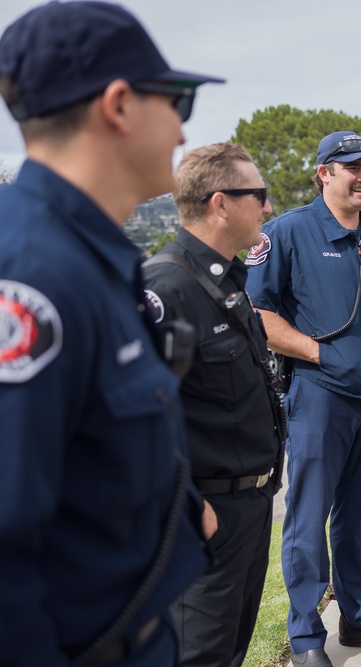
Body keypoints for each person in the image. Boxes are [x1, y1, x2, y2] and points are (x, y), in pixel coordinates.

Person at [0, 2, 222, 666]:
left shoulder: (88, 254)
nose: (184, 133)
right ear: (119, 104)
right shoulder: (32, 276)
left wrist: (182, 506)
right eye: (177, 101)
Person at [245, 130, 361, 665]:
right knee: (308, 516)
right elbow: (258, 314)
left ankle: (360, 617)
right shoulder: (286, 234)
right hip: (320, 395)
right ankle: (304, 636)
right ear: (325, 173)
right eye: (352, 167)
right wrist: (320, 356)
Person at [142, 143, 285, 667]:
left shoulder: (227, 281)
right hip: (203, 517)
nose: (267, 208)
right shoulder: (166, 287)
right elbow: (137, 421)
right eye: (260, 196)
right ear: (221, 203)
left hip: (249, 505)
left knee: (229, 651)